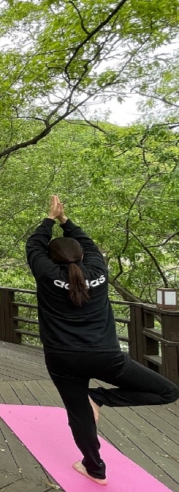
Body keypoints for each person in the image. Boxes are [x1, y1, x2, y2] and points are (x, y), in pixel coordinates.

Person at [26, 195, 179, 485]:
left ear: (50, 258)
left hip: (62, 359)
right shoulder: (97, 272)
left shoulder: (46, 273)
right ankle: (99, 398)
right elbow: (90, 245)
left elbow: (33, 245)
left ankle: (95, 468)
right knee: (168, 392)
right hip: (106, 356)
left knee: (78, 414)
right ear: (81, 256)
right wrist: (64, 220)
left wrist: (49, 218)